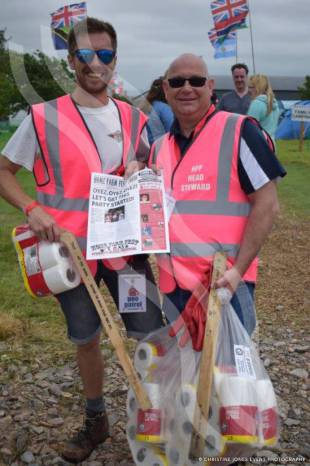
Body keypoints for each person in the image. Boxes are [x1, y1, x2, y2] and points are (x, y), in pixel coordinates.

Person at [0, 17, 165, 463]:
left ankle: (154, 413)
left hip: (126, 252)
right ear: (71, 60)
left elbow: (149, 168)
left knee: (150, 333)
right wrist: (32, 209)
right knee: (86, 338)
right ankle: (97, 420)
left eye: (105, 55)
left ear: (115, 60)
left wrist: (141, 169)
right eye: (86, 55)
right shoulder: (43, 116)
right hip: (71, 255)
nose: (96, 63)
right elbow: (3, 172)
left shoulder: (134, 117)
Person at [150, 53, 286, 350]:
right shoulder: (159, 147)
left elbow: (267, 203)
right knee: (186, 372)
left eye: (196, 80)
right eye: (177, 81)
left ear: (210, 86)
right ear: (165, 88)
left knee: (232, 378)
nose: (187, 87)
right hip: (174, 284)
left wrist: (238, 271)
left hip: (224, 283)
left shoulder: (239, 130)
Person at [247, 74, 280, 143]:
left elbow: (249, 129)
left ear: (257, 87)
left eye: (250, 87)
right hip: (271, 144)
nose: (248, 90)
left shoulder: (256, 104)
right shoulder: (274, 103)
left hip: (259, 145)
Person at [143, 76, 174, 144]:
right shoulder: (164, 108)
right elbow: (172, 132)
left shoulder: (145, 107)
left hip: (146, 148)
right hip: (161, 149)